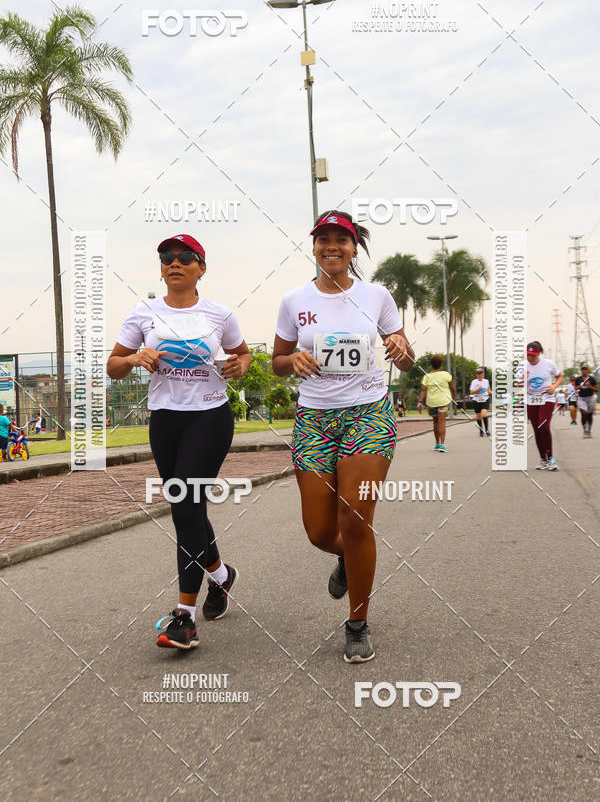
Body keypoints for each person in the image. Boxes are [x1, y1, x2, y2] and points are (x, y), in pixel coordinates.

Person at [272, 210, 414, 664]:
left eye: (341, 240)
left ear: (355, 248)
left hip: (369, 413)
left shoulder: (377, 296)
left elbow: (407, 358)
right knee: (319, 531)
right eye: (323, 239)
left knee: (355, 519)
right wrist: (292, 359)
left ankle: (357, 624)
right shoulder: (294, 300)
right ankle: (348, 559)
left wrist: (400, 349)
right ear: (314, 247)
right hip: (315, 418)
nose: (332, 246)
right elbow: (277, 360)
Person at [107, 234, 250, 651]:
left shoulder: (219, 314)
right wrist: (135, 358)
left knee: (186, 504)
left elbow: (242, 355)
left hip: (209, 417)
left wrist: (238, 366)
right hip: (165, 420)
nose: (175, 262)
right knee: (187, 509)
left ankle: (183, 618)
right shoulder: (144, 312)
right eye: (167, 257)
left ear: (201, 268)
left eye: (186, 257)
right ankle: (221, 578)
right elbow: (115, 365)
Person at [522, 341, 562, 470]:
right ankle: (543, 459)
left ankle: (551, 458)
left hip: (547, 398)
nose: (531, 358)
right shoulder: (523, 366)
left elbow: (559, 376)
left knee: (543, 426)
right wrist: (522, 379)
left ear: (539, 353)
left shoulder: (548, 364)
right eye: (528, 355)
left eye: (533, 355)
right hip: (531, 400)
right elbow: (517, 384)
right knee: (537, 429)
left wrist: (554, 386)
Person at [417, 355, 456, 452]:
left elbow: (423, 389)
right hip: (443, 402)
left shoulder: (427, 376)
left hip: (431, 403)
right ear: (441, 364)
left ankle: (437, 443)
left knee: (435, 422)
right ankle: (442, 444)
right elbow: (452, 388)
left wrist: (420, 402)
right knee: (441, 422)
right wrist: (454, 398)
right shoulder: (446, 374)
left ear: (431, 365)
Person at [575, 364, 598, 438]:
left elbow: (596, 389)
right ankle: (585, 430)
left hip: (590, 398)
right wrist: (579, 387)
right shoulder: (578, 379)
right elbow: (575, 388)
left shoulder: (592, 379)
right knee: (584, 413)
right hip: (581, 398)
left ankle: (589, 431)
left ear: (588, 370)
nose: (584, 370)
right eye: (582, 369)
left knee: (589, 415)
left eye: (585, 369)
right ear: (581, 371)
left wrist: (589, 386)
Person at [469, 367, 491, 437]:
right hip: (476, 400)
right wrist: (478, 389)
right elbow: (471, 392)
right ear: (476, 375)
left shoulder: (486, 381)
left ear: (483, 374)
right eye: (478, 373)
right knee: (478, 417)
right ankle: (481, 430)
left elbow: (489, 390)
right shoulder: (474, 382)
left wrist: (494, 393)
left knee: (484, 414)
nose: (480, 375)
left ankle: (487, 430)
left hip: (485, 399)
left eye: (481, 373)